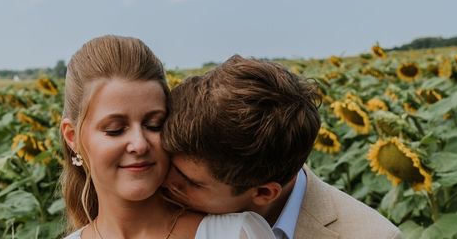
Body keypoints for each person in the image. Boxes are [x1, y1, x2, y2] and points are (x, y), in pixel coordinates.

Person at [161, 55, 403, 239]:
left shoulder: (370, 235)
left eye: (191, 182)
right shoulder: (150, 199)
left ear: (264, 192)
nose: (164, 181)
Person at [59, 36, 275, 239]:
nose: (139, 144)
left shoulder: (233, 234)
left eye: (154, 125)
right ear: (72, 137)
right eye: (115, 129)